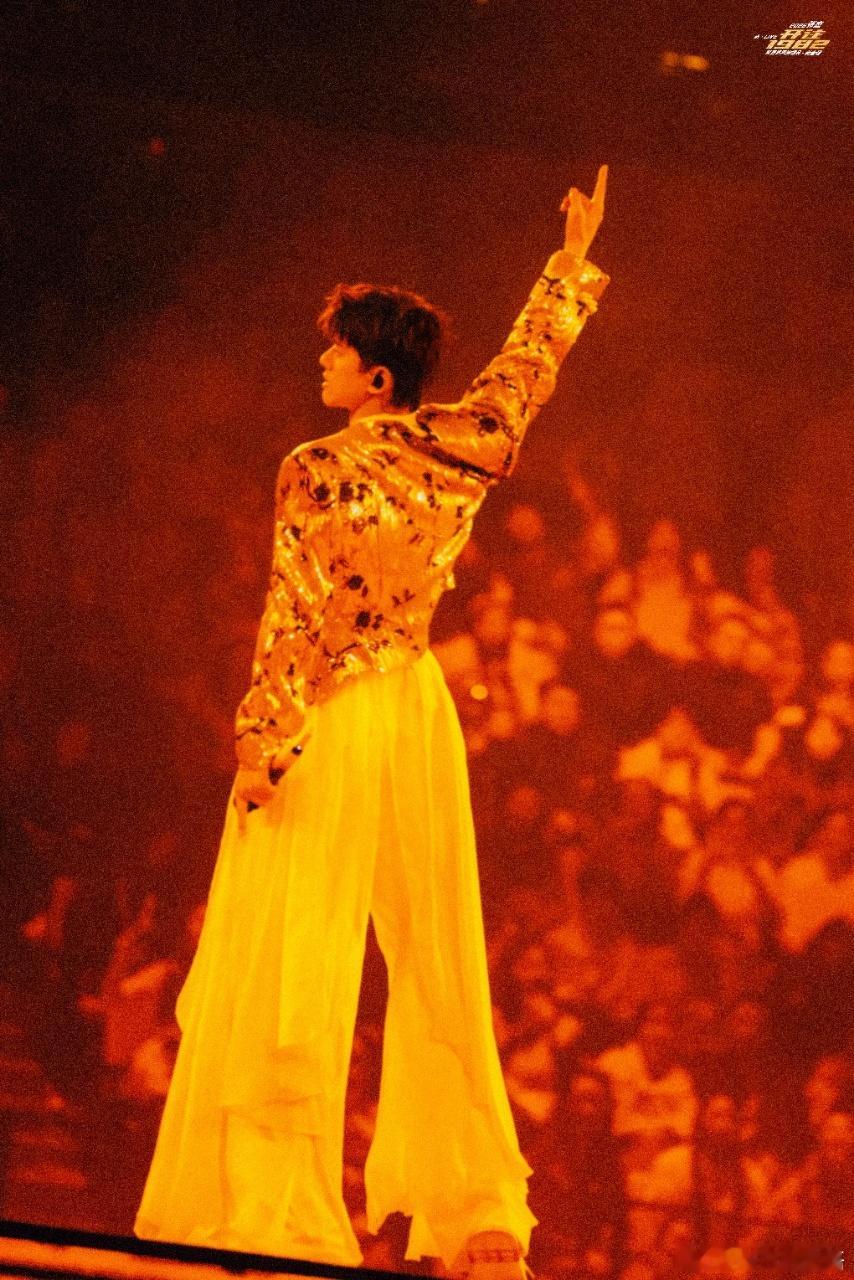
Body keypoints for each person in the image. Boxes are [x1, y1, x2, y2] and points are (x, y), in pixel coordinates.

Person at [133, 166, 610, 1279]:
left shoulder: (315, 467)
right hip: (417, 707)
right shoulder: (457, 445)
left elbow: (293, 612)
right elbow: (522, 381)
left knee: (295, 949)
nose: (322, 363)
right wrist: (565, 270)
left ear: (374, 376)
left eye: (336, 351)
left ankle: (272, 1205)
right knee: (439, 946)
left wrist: (262, 744)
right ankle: (475, 1205)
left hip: (338, 712)